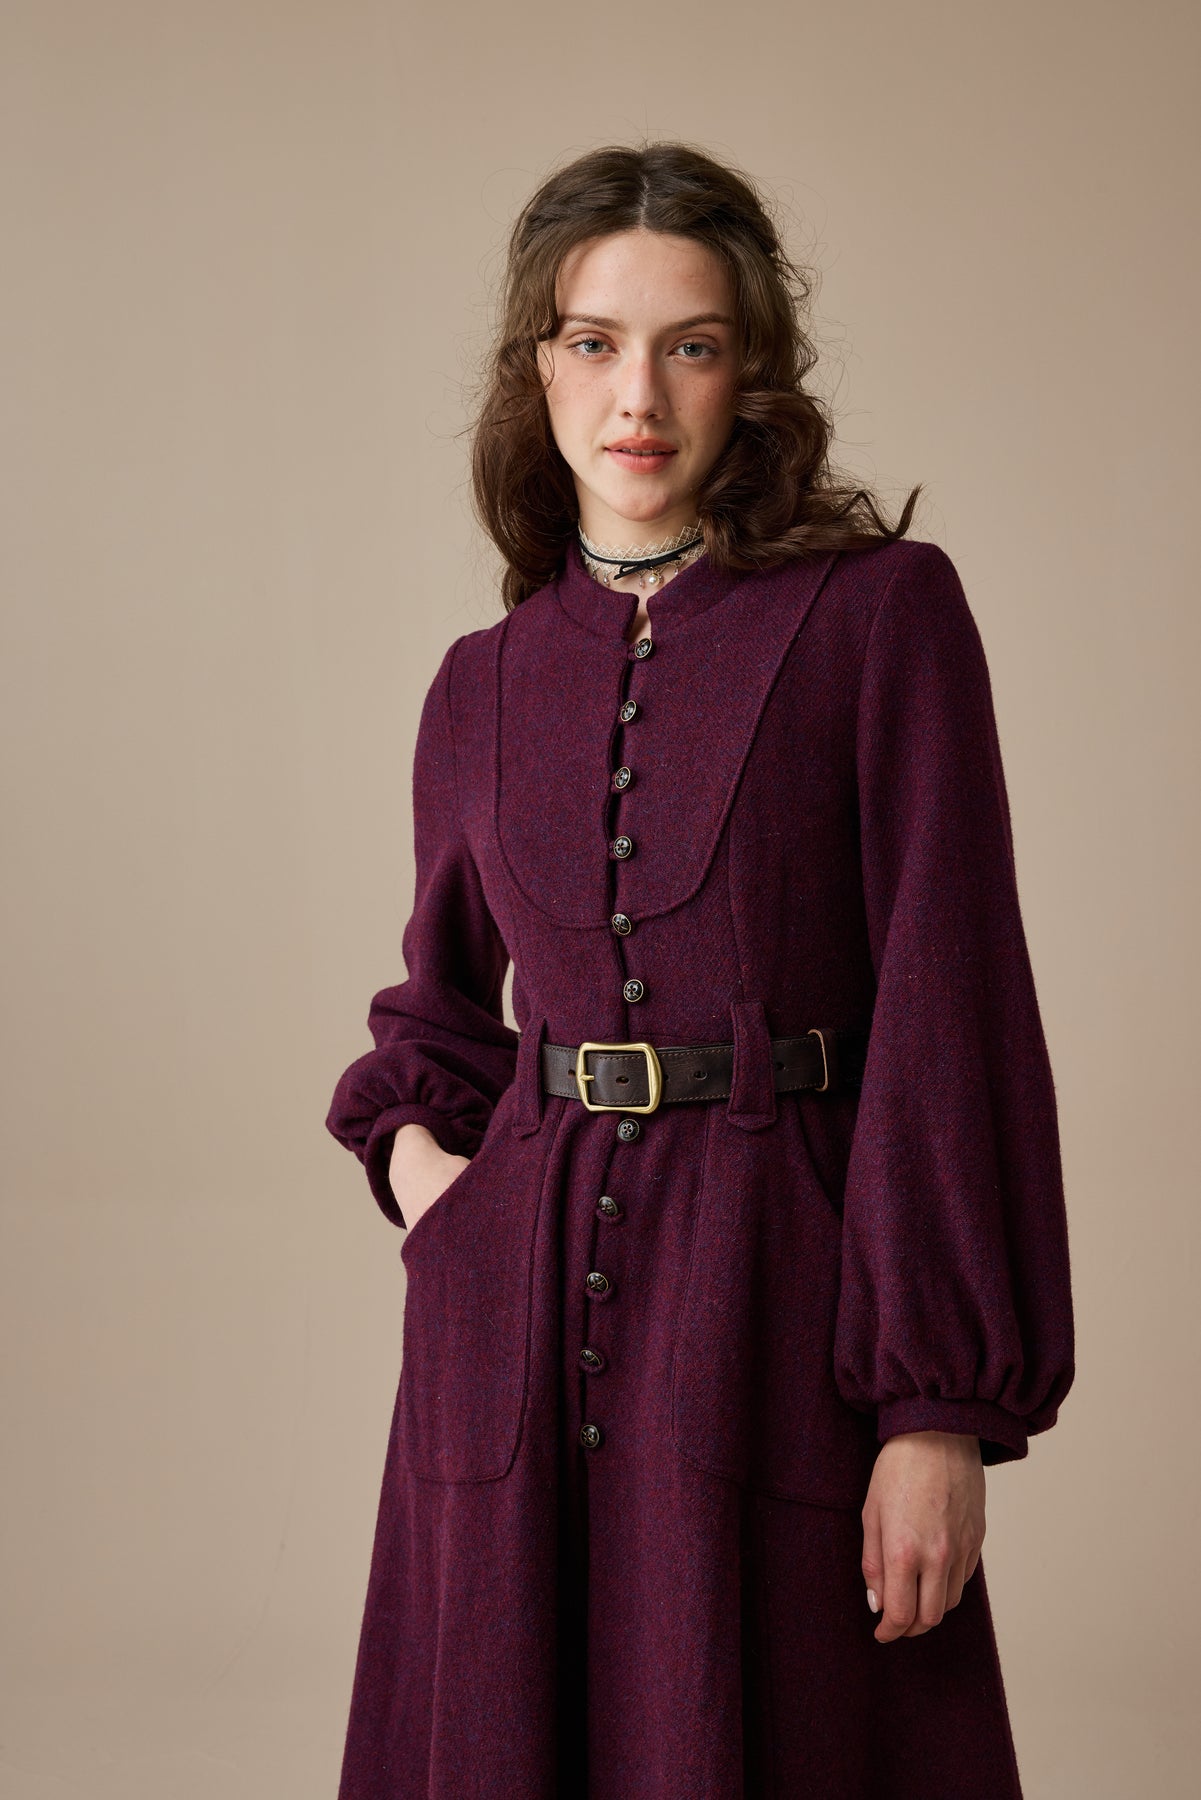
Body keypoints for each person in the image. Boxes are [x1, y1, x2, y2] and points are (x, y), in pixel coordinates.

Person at [325, 141, 1075, 1800]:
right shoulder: (475, 685)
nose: (639, 396)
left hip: (776, 1324)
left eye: (692, 344)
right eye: (594, 341)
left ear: (753, 371)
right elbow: (435, 1012)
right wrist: (433, 1184)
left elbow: (950, 1012)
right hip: (506, 1343)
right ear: (536, 367)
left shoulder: (882, 618)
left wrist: (933, 1411)